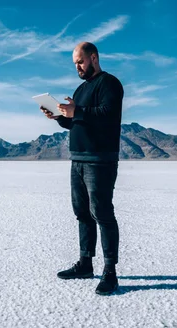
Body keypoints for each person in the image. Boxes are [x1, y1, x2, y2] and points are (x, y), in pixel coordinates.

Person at [40, 41, 124, 296]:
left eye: (80, 61)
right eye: (75, 63)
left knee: (102, 213)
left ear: (93, 58)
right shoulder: (80, 89)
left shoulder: (109, 83)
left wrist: (77, 110)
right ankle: (85, 264)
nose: (77, 66)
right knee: (82, 213)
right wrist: (60, 117)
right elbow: (78, 123)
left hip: (100, 160)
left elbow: (108, 114)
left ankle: (110, 272)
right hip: (78, 160)